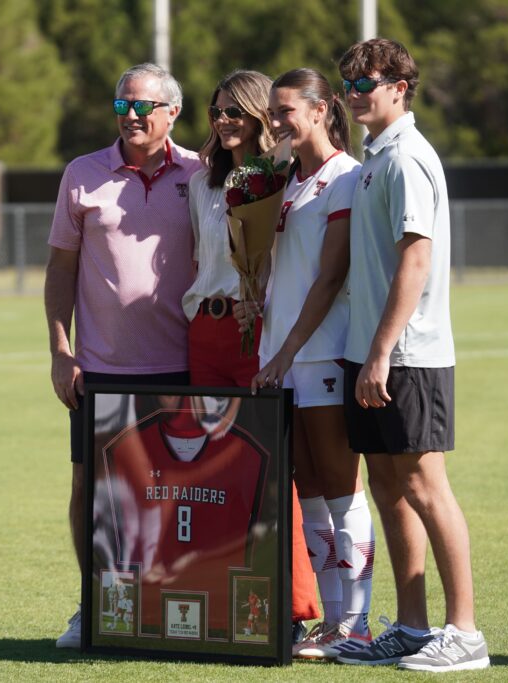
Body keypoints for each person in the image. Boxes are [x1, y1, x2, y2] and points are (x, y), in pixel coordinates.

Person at [334, 39, 490, 671]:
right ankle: (412, 626)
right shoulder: (374, 157)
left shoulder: (407, 157)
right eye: (347, 84)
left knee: (425, 485)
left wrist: (380, 352)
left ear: (400, 87)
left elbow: (416, 260)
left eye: (365, 83)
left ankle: (466, 633)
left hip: (407, 355)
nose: (353, 94)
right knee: (387, 486)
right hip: (370, 353)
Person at [45, 63, 203, 649]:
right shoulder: (81, 174)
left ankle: (169, 605)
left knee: (177, 494)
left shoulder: (202, 174)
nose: (131, 116)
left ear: (172, 112)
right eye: (121, 105)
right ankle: (94, 602)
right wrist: (61, 350)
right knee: (91, 488)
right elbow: (60, 269)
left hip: (184, 367)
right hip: (101, 370)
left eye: (143, 106)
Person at [181, 69, 320, 644]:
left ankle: (296, 610)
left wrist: (256, 299)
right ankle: (227, 603)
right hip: (205, 336)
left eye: (234, 111)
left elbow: (288, 258)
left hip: (259, 336)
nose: (222, 121)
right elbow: (204, 261)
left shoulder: (282, 177)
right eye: (216, 111)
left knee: (272, 473)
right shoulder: (200, 184)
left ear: (260, 114)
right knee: (216, 475)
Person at [244, 68, 373, 660]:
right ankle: (333, 620)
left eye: (286, 110)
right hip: (282, 354)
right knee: (310, 492)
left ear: (321, 110)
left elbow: (330, 277)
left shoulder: (344, 177)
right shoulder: (284, 180)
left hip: (321, 351)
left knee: (342, 490)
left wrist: (288, 350)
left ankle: (358, 624)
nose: (275, 120)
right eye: (272, 111)